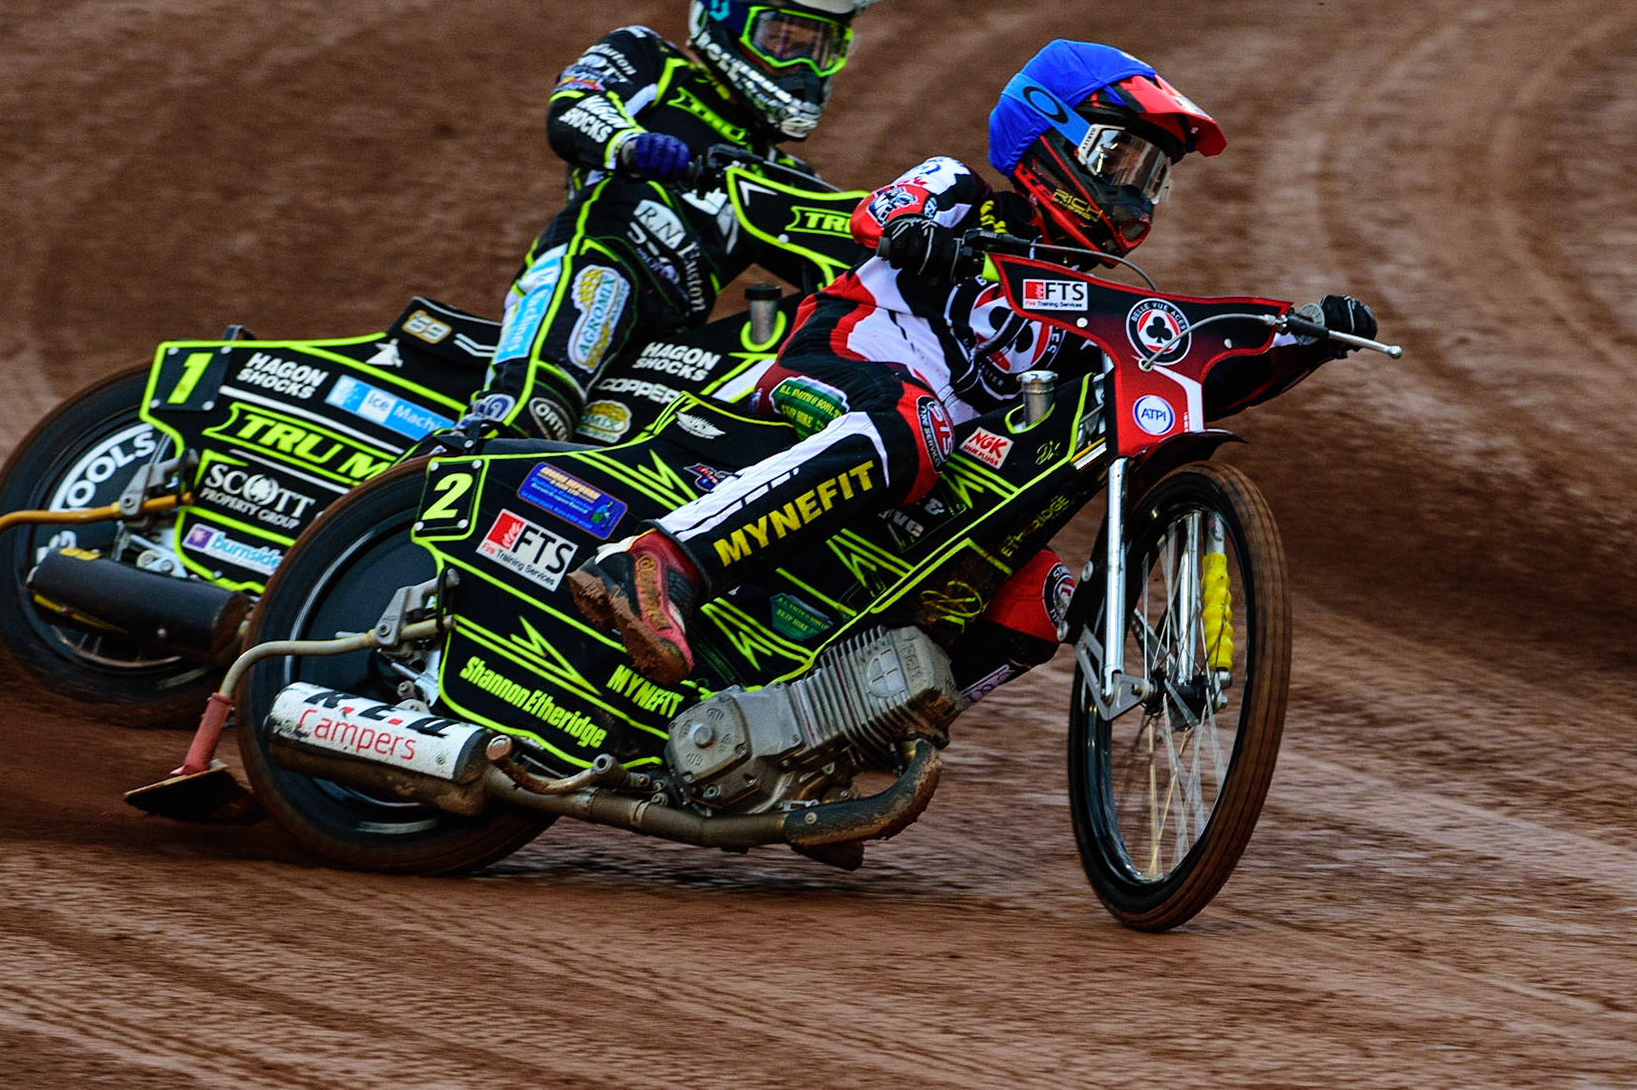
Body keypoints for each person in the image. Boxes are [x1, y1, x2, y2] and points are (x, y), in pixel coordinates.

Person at [568, 38, 1379, 688]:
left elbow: (1188, 365)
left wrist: (1302, 338)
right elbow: (880, 214)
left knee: (1040, 597)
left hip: (928, 465)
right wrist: (923, 237)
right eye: (1120, 158)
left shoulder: (1091, 310)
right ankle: (658, 560)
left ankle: (862, 734)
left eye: (1151, 176)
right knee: (913, 427)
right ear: (1046, 134)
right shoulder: (959, 191)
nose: (1135, 192)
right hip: (833, 363)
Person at [468, 0, 885, 440]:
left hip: (671, 347)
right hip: (596, 266)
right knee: (532, 417)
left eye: (819, 50)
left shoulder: (782, 180)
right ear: (723, 18)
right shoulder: (650, 60)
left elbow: (864, 258)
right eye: (782, 40)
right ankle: (487, 434)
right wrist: (631, 145)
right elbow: (575, 104)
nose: (802, 69)